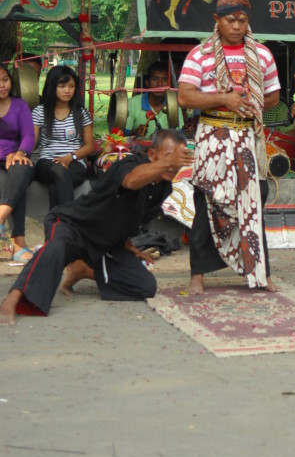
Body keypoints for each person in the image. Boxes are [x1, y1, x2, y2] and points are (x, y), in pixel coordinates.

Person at [0, 129, 191, 324]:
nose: (173, 164)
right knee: (56, 247)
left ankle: (82, 270)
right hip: (73, 224)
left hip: (104, 241)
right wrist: (168, 163)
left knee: (145, 286)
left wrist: (128, 244)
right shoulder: (130, 164)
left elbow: (130, 216)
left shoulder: (164, 188)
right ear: (152, 155)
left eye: (178, 159)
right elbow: (131, 182)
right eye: (169, 156)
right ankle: (12, 299)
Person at [177, 0, 280, 294]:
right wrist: (224, 99)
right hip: (213, 134)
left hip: (248, 135)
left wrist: (250, 102)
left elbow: (273, 95)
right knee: (207, 199)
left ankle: (260, 273)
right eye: (230, 20)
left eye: (242, 20)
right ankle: (198, 275)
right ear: (217, 20)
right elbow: (184, 97)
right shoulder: (200, 54)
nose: (236, 26)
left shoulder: (262, 54)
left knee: (252, 203)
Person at [32, 65, 96, 208]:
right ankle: (67, 218)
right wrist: (20, 152)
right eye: (62, 86)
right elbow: (31, 142)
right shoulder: (40, 112)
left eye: (71, 86)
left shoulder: (80, 113)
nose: (67, 91)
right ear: (52, 87)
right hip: (46, 163)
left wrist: (70, 157)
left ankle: (57, 219)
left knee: (57, 184)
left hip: (75, 163)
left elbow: (89, 146)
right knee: (59, 170)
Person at [0, 61, 37, 265]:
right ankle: (18, 244)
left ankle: (0, 218)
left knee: (21, 168)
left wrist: (20, 152)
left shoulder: (19, 105)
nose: (2, 85)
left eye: (5, 79)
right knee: (12, 186)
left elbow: (29, 135)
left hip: (16, 158)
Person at [125, 61, 184, 139]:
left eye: (165, 79)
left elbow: (179, 135)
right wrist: (135, 132)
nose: (160, 84)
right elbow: (122, 135)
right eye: (155, 79)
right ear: (147, 82)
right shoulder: (132, 104)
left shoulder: (174, 105)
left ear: (170, 85)